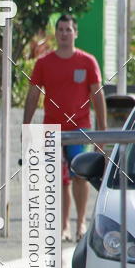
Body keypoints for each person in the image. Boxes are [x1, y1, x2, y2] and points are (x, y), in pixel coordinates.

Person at [23, 14, 107, 241]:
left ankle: (80, 223)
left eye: (68, 30)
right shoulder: (44, 63)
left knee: (80, 176)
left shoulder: (87, 61)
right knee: (58, 180)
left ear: (75, 33)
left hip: (80, 129)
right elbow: (33, 95)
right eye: (60, 29)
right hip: (52, 129)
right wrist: (27, 127)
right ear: (56, 33)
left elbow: (98, 96)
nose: (64, 34)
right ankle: (63, 227)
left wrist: (102, 131)